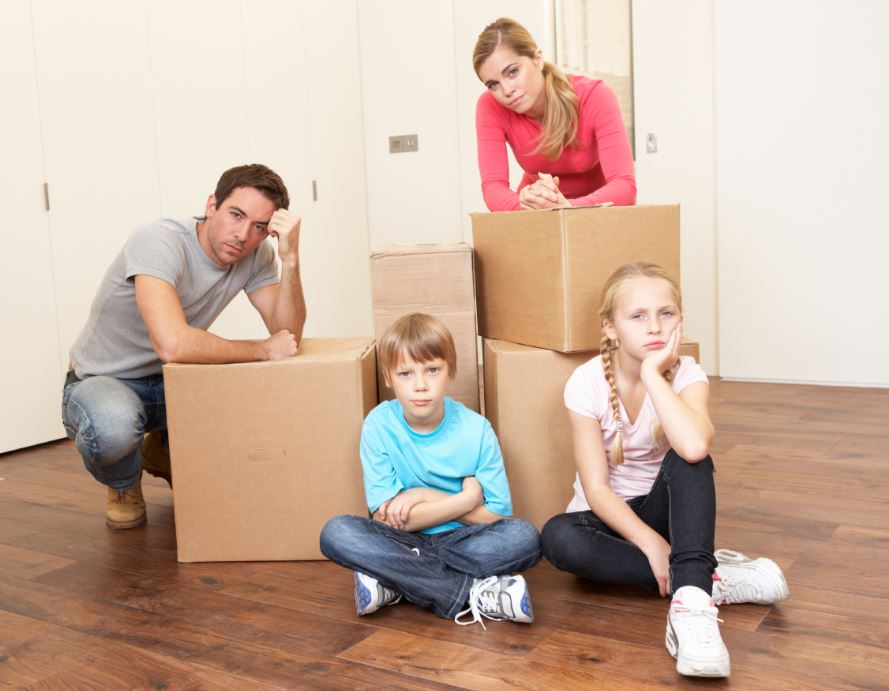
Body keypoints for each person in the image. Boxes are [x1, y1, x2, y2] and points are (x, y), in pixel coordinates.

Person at [540, 263, 789, 678]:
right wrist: (652, 544)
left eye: (665, 313)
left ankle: (691, 605)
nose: (654, 326)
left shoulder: (688, 373)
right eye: (637, 316)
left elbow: (693, 447)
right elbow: (596, 489)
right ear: (611, 328)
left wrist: (653, 375)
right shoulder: (585, 382)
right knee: (557, 537)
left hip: (666, 511)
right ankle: (705, 576)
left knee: (690, 459)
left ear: (680, 320)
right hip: (609, 520)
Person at [62, 163, 306, 530]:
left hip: (174, 379)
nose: (242, 235)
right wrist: (261, 349)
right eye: (236, 215)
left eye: (259, 227)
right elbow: (173, 344)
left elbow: (287, 334)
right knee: (112, 429)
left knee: (253, 406)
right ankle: (124, 482)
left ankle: (161, 447)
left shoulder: (257, 255)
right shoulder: (158, 240)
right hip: (105, 378)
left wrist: (291, 258)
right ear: (211, 205)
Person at [320, 313, 541, 628]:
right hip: (402, 541)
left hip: (466, 541)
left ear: (451, 369)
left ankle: (396, 580)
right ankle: (473, 593)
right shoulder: (379, 425)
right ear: (388, 377)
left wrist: (424, 495)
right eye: (405, 373)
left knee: (524, 536)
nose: (420, 385)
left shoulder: (477, 429)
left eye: (432, 370)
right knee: (338, 532)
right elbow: (389, 520)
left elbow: (497, 518)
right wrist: (465, 500)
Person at [473, 17, 636, 212]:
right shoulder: (490, 105)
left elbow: (624, 185)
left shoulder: (595, 96)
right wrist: (533, 207)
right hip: (534, 211)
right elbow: (493, 188)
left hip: (598, 210)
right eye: (493, 84)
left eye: (513, 72)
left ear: (537, 59)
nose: (507, 90)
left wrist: (566, 208)